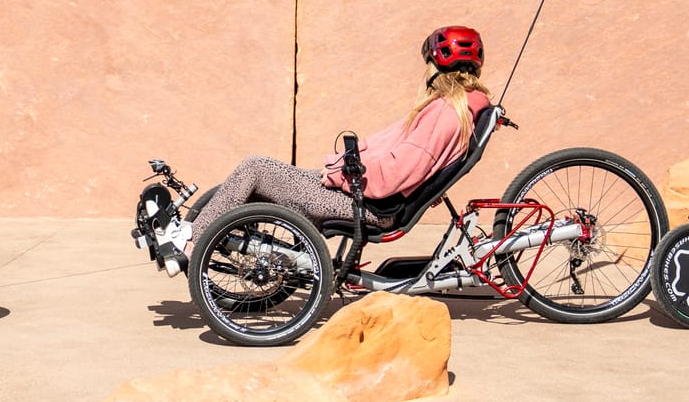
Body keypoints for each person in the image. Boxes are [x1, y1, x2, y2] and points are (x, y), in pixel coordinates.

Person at [148, 25, 495, 275]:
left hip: (369, 205)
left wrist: (345, 172)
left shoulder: (447, 111)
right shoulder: (452, 108)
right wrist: (347, 163)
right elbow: (397, 156)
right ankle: (188, 232)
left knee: (256, 167)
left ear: (436, 66)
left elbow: (397, 172)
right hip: (362, 195)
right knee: (263, 175)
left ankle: (187, 243)